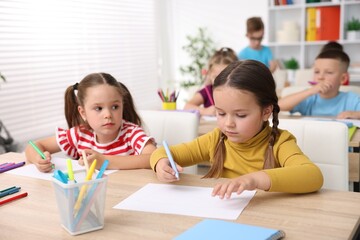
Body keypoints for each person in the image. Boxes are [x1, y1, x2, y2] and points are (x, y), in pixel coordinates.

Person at [151, 60, 323, 199]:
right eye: (221, 113)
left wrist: (254, 179)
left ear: (266, 112)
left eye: (240, 115)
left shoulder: (280, 142)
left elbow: (313, 175)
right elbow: (163, 153)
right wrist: (160, 164)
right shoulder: (216, 139)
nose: (228, 124)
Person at [25, 72, 156, 173]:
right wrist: (38, 159)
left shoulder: (131, 133)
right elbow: (34, 146)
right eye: (98, 108)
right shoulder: (80, 134)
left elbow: (152, 157)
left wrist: (105, 161)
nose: (108, 115)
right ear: (83, 112)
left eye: (115, 107)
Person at [278, 49, 360, 118]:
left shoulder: (352, 100)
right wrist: (309, 91)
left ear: (343, 78)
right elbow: (279, 105)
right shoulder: (309, 98)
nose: (320, 77)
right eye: (317, 72)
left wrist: (355, 114)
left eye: (329, 72)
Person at [183, 47, 238, 116]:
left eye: (225, 76)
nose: (220, 81)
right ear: (209, 75)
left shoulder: (239, 92)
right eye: (216, 77)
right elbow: (187, 107)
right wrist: (205, 111)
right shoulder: (207, 91)